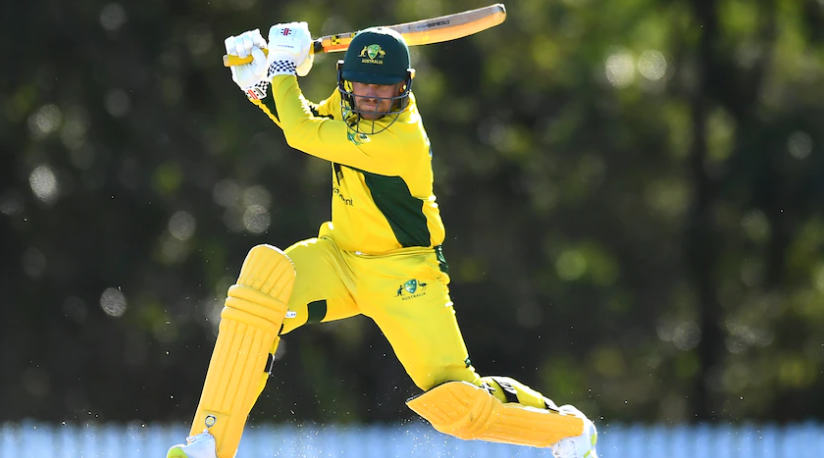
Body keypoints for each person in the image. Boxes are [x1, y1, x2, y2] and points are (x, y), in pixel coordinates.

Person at [166, 21, 599, 458]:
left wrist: (280, 68)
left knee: (460, 407)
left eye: (384, 89)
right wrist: (259, 85)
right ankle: (211, 444)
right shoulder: (351, 107)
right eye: (362, 86)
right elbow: (312, 122)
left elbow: (301, 134)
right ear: (345, 81)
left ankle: (564, 429)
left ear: (405, 87)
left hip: (404, 275)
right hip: (340, 259)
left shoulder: (399, 138)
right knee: (262, 292)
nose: (371, 97)